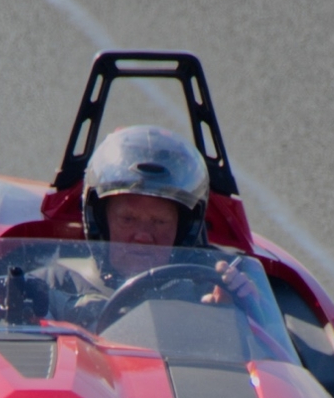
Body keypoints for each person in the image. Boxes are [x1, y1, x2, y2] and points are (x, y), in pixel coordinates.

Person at [45, 124, 258, 328]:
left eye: (159, 222)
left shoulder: (217, 286)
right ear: (99, 222)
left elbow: (274, 353)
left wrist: (237, 316)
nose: (144, 237)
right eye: (128, 219)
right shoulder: (55, 284)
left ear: (184, 230)